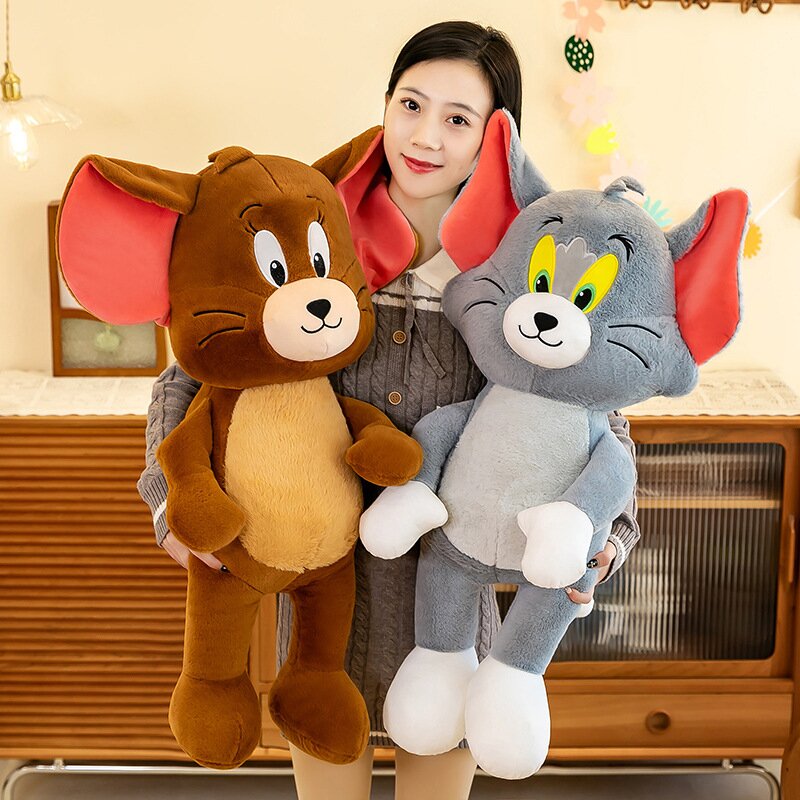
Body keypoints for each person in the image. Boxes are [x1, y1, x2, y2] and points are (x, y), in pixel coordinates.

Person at [137, 21, 640, 800]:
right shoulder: (312, 237)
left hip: (451, 615)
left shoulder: (516, 274)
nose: (425, 136)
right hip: (318, 606)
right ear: (386, 105)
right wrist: (168, 501)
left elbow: (599, 416)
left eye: (458, 118)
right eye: (411, 104)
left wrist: (605, 540)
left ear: (495, 138)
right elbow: (193, 378)